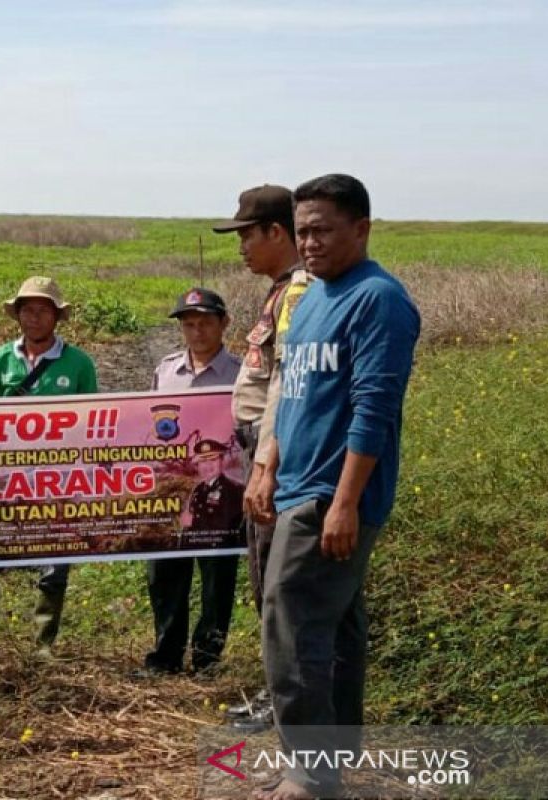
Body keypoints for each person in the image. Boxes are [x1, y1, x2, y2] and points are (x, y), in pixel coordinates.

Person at [255, 174, 420, 800]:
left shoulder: (378, 299)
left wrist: (346, 503)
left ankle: (310, 774)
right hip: (299, 484)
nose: (311, 242)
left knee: (290, 626)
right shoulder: (315, 296)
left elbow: (373, 408)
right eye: (302, 231)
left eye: (323, 229)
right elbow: (295, 395)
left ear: (362, 228)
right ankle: (331, 760)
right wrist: (269, 460)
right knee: (336, 629)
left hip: (330, 495)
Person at [0, 276, 98, 673]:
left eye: (42, 310)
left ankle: (42, 650)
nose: (33, 317)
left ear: (56, 317)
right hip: (6, 478)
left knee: (54, 565)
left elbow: (96, 420)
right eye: (26, 309)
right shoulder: (0, 359)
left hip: (56, 481)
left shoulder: (79, 364)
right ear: (17, 314)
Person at [211, 185, 310, 728]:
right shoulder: (280, 290)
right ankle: (280, 695)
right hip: (262, 447)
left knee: (276, 586)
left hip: (276, 452)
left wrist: (267, 465)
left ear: (277, 231)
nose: (240, 246)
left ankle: (286, 703)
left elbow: (284, 388)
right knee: (266, 581)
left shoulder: (297, 292)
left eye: (247, 234)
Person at [140, 288, 243, 676]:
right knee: (164, 573)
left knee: (218, 578)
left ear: (223, 323)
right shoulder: (166, 370)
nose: (196, 331)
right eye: (189, 324)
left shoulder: (240, 372)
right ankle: (165, 656)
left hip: (224, 491)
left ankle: (207, 660)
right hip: (173, 491)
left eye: (205, 323)